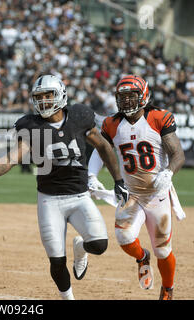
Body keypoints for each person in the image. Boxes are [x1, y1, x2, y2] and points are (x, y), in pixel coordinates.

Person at [0, 75, 129, 300]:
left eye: (48, 96)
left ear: (60, 95)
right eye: (39, 97)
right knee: (57, 260)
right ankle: (67, 298)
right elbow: (10, 159)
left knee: (98, 244)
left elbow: (105, 148)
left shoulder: (79, 117)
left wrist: (119, 181)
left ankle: (80, 248)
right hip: (50, 199)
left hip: (79, 195)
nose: (44, 101)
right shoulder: (31, 126)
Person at [87, 75, 186, 300]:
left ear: (143, 96)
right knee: (124, 238)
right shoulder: (112, 123)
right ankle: (142, 257)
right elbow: (101, 149)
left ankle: (168, 288)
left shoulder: (159, 117)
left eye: (131, 97)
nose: (126, 102)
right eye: (122, 97)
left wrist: (169, 171)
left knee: (163, 250)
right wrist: (91, 174)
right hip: (131, 193)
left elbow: (177, 153)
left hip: (157, 194)